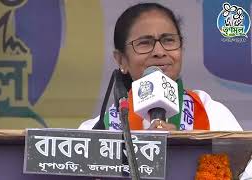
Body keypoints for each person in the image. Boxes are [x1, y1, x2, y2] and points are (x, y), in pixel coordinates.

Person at [79, 3, 242, 131]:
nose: (159, 52)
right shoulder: (98, 130)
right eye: (144, 43)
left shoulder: (213, 115)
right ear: (122, 60)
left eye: (168, 40)